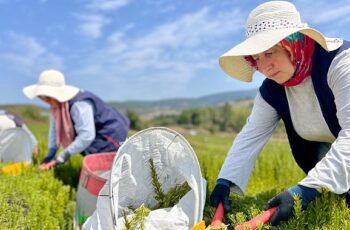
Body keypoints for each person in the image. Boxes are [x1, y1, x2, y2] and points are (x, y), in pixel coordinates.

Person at [209, 1, 350, 226]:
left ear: (293, 44)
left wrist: (305, 190)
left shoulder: (341, 63)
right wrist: (225, 181)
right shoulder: (273, 89)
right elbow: (250, 136)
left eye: (270, 52)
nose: (265, 67)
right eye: (256, 58)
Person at [23, 69, 130, 166]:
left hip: (109, 134)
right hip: (94, 135)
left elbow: (87, 135)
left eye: (46, 96)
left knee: (107, 167)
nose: (43, 99)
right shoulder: (55, 106)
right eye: (41, 96)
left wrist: (62, 157)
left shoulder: (79, 104)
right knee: (97, 166)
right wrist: (50, 154)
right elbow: (54, 131)